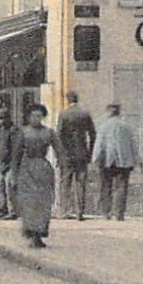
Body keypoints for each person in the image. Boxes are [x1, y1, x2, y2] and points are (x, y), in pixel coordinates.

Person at [11, 103, 65, 249]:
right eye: (34, 116)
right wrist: (13, 175)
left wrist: (62, 163)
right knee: (29, 201)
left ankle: (40, 232)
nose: (37, 118)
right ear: (29, 117)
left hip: (43, 169)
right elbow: (16, 155)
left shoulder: (49, 132)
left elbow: (59, 150)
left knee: (43, 201)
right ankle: (32, 233)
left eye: (39, 116)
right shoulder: (23, 132)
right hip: (27, 169)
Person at [91, 101, 142, 221]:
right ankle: (119, 213)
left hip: (107, 160)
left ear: (108, 112)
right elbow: (133, 144)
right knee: (122, 187)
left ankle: (106, 212)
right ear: (119, 112)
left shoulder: (103, 126)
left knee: (105, 186)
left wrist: (95, 159)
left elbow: (99, 145)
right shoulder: (126, 126)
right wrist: (137, 159)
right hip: (124, 161)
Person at [56, 91, 96, 220]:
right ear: (77, 99)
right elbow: (93, 134)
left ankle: (64, 210)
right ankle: (80, 212)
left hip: (67, 154)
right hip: (82, 153)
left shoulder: (63, 114)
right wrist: (90, 152)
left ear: (67, 100)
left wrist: (59, 154)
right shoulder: (85, 114)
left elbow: (59, 135)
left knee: (65, 182)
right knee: (81, 182)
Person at [0, 105, 20, 221]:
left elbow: (16, 149)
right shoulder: (2, 130)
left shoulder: (13, 130)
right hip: (1, 164)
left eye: (2, 118)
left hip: (10, 164)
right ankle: (0, 210)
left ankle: (12, 211)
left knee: (9, 188)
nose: (0, 121)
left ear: (8, 118)